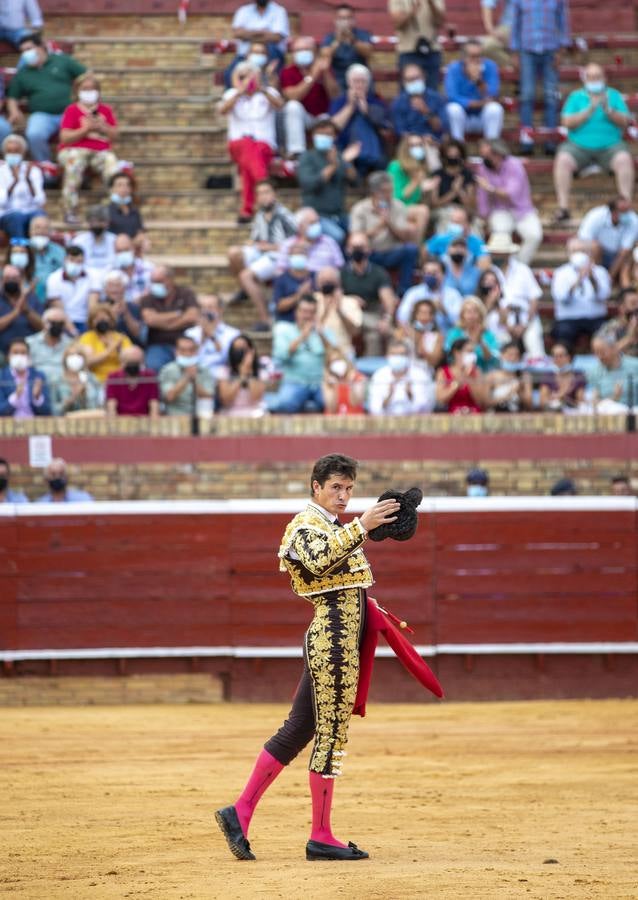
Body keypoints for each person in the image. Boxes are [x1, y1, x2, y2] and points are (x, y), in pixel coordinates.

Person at [215, 453, 401, 861]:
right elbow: (318, 562)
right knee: (331, 734)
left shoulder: (333, 527)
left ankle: (239, 812)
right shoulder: (304, 526)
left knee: (299, 729)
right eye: (336, 487)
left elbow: (347, 583)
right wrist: (362, 527)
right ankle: (321, 835)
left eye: (349, 488)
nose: (344, 495)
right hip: (331, 644)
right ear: (316, 487)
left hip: (339, 642)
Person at [553, 63, 634, 223]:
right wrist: (589, 110)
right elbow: (567, 122)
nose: (595, 80)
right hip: (578, 146)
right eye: (591, 77)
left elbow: (625, 122)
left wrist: (608, 109)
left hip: (611, 147)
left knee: (624, 159)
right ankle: (563, 208)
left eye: (598, 77)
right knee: (562, 159)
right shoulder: (576, 97)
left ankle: (625, 205)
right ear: (585, 79)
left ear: (604, 78)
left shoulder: (614, 95)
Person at [6, 32, 86, 164]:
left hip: (69, 112)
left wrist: (79, 94)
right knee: (34, 134)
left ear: (41, 47)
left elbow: (85, 76)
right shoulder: (23, 72)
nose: (26, 54)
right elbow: (12, 96)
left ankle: (78, 168)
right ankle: (46, 169)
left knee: (83, 130)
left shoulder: (62, 60)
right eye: (23, 51)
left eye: (29, 49)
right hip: (42, 116)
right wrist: (14, 111)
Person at [227, 180, 297, 330]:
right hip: (261, 253)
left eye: (267, 192)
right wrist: (251, 243)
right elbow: (256, 238)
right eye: (260, 193)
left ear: (274, 194)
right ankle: (246, 289)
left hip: (277, 256)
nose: (263, 197)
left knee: (246, 275)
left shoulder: (285, 215)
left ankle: (266, 320)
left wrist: (270, 246)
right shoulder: (259, 215)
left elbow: (295, 244)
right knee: (233, 253)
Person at [219, 61, 283, 223]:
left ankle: (247, 210)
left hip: (264, 146)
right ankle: (266, 194)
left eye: (251, 76)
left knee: (248, 165)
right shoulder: (231, 94)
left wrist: (260, 88)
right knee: (248, 146)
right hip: (238, 146)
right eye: (243, 76)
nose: (247, 80)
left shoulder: (268, 93)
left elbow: (279, 105)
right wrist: (240, 92)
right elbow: (223, 110)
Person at [510, 0, 571, 155]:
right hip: (527, 49)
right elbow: (515, 23)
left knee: (551, 96)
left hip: (550, 49)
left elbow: (563, 21)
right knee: (527, 95)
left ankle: (550, 141)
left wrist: (562, 49)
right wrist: (515, 51)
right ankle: (526, 141)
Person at [57, 73, 119, 225]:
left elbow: (115, 135)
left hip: (100, 152)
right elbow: (64, 138)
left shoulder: (105, 110)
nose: (89, 92)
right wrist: (85, 129)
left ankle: (113, 207)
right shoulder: (71, 110)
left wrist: (103, 127)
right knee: (74, 163)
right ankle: (70, 210)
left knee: (112, 165)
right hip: (74, 150)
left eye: (92, 88)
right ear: (78, 90)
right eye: (85, 88)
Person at [349, 171, 420, 298]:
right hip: (370, 253)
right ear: (374, 192)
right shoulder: (360, 209)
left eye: (390, 191)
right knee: (354, 252)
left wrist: (389, 224)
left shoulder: (398, 206)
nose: (388, 195)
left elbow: (404, 237)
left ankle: (404, 290)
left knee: (411, 249)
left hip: (392, 251)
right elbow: (356, 238)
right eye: (384, 191)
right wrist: (379, 226)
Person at [475, 137, 543, 265]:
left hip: (522, 209)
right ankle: (504, 268)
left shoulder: (514, 165)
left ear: (498, 154)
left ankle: (518, 266)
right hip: (499, 210)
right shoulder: (483, 167)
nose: (486, 159)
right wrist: (484, 216)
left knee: (534, 235)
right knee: (500, 236)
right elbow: (482, 195)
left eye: (488, 155)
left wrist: (490, 188)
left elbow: (511, 193)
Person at [267, 295, 336, 413]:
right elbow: (281, 356)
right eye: (304, 312)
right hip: (294, 381)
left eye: (312, 312)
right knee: (284, 404)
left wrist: (321, 335)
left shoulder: (325, 332)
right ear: (296, 312)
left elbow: (335, 357)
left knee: (334, 403)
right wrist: (303, 336)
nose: (308, 316)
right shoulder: (283, 329)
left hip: (321, 382)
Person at [297, 117, 360, 245]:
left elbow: (355, 181)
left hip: (340, 214)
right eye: (321, 134)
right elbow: (309, 184)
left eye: (328, 134)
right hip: (317, 216)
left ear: (334, 137)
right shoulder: (307, 157)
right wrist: (332, 166)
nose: (324, 137)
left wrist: (346, 163)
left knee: (358, 236)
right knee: (337, 236)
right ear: (314, 136)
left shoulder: (339, 156)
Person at [485, 232, 544, 358]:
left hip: (524, 316)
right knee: (498, 342)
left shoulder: (523, 270)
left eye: (498, 253)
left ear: (507, 254)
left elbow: (534, 299)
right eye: (494, 253)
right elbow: (487, 302)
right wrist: (505, 322)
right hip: (499, 318)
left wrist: (525, 323)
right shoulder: (489, 272)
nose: (495, 255)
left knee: (534, 341)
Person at [281, 37, 340, 157]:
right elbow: (293, 96)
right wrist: (312, 76)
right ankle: (296, 152)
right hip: (303, 117)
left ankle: (326, 155)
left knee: (326, 119)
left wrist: (325, 73)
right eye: (298, 50)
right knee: (292, 106)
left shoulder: (325, 69)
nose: (302, 53)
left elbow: (335, 95)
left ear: (314, 52)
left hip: (322, 117)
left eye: (306, 49)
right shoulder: (288, 72)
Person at [341, 232, 398, 357]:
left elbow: (388, 298)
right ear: (348, 249)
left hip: (373, 313)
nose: (358, 251)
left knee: (374, 337)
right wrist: (349, 299)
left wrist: (387, 319)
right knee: (390, 332)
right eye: (354, 247)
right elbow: (335, 298)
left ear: (369, 249)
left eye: (361, 247)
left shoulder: (378, 272)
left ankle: (376, 371)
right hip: (350, 317)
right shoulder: (342, 273)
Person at [329, 64, 389, 176]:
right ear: (349, 83)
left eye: (363, 82)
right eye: (356, 81)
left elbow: (382, 126)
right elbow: (334, 127)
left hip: (373, 149)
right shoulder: (339, 101)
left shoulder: (376, 101)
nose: (359, 85)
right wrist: (350, 106)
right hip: (344, 147)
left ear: (368, 84)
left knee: (382, 163)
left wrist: (366, 111)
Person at [139, 266, 199, 371]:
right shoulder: (148, 298)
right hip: (158, 344)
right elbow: (150, 320)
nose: (155, 285)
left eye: (159, 281)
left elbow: (192, 316)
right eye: (153, 282)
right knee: (153, 366)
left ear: (170, 279)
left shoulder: (185, 293)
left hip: (185, 343)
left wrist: (162, 322)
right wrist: (177, 314)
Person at [444, 39, 503, 142]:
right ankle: (458, 147)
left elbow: (493, 94)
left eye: (479, 56)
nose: (476, 60)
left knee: (495, 109)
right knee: (452, 109)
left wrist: (478, 80)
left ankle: (492, 147)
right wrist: (474, 103)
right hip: (462, 117)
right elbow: (451, 96)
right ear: (463, 57)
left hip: (483, 117)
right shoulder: (453, 68)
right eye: (472, 56)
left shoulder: (490, 66)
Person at [550, 246, 611, 346]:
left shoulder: (600, 271)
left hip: (595, 318)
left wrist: (592, 279)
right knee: (563, 332)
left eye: (583, 251)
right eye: (575, 251)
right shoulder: (561, 272)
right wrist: (578, 280)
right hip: (568, 319)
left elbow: (604, 296)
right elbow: (561, 297)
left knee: (604, 334)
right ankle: (565, 360)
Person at [575, 198, 638, 282]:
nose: (627, 214)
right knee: (594, 246)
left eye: (628, 210)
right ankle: (592, 277)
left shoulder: (633, 219)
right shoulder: (596, 215)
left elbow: (624, 251)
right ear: (613, 212)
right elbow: (584, 239)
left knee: (630, 253)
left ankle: (622, 284)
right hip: (595, 254)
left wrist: (610, 276)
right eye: (623, 211)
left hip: (617, 257)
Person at [367, 336, 434, 414]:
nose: (397, 357)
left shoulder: (420, 376)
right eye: (394, 354)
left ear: (408, 356)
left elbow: (427, 409)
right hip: (386, 423)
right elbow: (374, 410)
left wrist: (411, 396)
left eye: (401, 354)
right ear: (387, 356)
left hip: (414, 423)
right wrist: (388, 398)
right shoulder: (379, 376)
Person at [388, 0, 446, 90]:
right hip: (408, 51)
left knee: (432, 91)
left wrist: (431, 4)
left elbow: (441, 22)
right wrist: (412, 11)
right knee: (408, 92)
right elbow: (398, 24)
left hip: (431, 49)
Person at [397, 256, 462, 333]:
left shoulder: (453, 294)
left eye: (434, 273)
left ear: (443, 274)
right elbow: (401, 317)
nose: (430, 276)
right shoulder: (413, 293)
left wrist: (444, 310)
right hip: (418, 336)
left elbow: (461, 322)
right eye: (428, 273)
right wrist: (415, 309)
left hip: (446, 338)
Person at [46, 245, 101, 334]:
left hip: (85, 320)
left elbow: (92, 306)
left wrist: (90, 329)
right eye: (71, 260)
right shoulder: (53, 278)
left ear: (84, 262)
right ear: (64, 260)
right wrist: (73, 331)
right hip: (63, 320)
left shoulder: (93, 275)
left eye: (79, 261)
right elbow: (59, 308)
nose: (75, 264)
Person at [0, 133, 46, 240]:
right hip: (7, 214)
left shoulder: (33, 171)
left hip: (29, 212)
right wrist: (14, 182)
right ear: (4, 153)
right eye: (9, 151)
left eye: (16, 151)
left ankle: (39, 251)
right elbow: (1, 202)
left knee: (40, 215)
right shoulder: (0, 171)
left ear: (23, 152)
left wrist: (28, 181)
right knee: (16, 217)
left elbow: (40, 201)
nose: (13, 154)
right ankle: (20, 249)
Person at [185, 294, 240, 380]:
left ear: (220, 310)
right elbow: (188, 359)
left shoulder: (233, 334)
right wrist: (202, 338)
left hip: (223, 378)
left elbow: (230, 360)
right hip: (196, 376)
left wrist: (212, 337)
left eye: (210, 307)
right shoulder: (190, 333)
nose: (206, 311)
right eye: (202, 307)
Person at [159, 333, 215, 417]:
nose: (187, 354)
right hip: (175, 417)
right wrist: (186, 377)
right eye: (183, 350)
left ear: (196, 351)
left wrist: (194, 381)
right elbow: (169, 397)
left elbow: (209, 398)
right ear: (176, 351)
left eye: (191, 350)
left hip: (201, 416)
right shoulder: (168, 370)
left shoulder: (205, 370)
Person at [390, 62, 448, 142]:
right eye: (410, 80)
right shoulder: (398, 102)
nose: (414, 82)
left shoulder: (437, 98)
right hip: (410, 144)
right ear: (404, 82)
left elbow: (441, 127)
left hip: (433, 141)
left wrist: (426, 111)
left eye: (417, 78)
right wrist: (416, 141)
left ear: (423, 77)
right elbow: (400, 131)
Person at [314, 266, 363, 359]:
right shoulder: (312, 300)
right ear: (317, 284)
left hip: (343, 352)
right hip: (317, 353)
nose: (327, 286)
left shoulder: (350, 302)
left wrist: (339, 311)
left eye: (330, 283)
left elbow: (355, 332)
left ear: (338, 283)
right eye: (324, 283)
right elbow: (311, 329)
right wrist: (326, 310)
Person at [320, 4, 373, 90]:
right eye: (341, 18)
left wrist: (352, 40)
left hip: (359, 76)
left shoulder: (362, 34)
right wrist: (337, 41)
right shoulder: (330, 37)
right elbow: (325, 55)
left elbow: (368, 53)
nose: (345, 22)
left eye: (348, 18)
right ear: (335, 20)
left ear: (353, 20)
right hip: (339, 77)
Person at [277, 208, 344, 274]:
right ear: (300, 226)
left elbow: (340, 267)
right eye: (312, 223)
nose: (317, 225)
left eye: (317, 222)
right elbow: (280, 272)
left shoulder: (329, 242)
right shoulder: (288, 244)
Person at [230, 0, 290, 74]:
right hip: (245, 55)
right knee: (230, 74)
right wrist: (261, 32)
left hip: (271, 55)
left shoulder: (279, 11)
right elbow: (237, 34)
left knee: (272, 73)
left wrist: (248, 34)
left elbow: (277, 37)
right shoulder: (243, 11)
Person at [216, 333, 268, 417]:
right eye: (236, 349)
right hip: (230, 414)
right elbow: (226, 400)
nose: (240, 353)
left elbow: (256, 398)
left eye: (243, 349)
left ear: (251, 351)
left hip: (255, 413)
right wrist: (241, 375)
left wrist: (249, 370)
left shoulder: (260, 372)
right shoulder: (223, 372)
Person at [77, 305, 133, 383]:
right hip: (95, 380)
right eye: (97, 319)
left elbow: (130, 361)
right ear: (91, 322)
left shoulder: (121, 338)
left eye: (104, 318)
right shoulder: (87, 337)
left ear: (111, 320)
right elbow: (88, 361)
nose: (101, 321)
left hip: (118, 380)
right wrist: (110, 348)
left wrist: (119, 350)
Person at [445, 296, 500, 372]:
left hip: (482, 374)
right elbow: (449, 355)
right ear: (462, 315)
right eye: (468, 312)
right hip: (458, 373)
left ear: (480, 315)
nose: (471, 316)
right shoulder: (454, 333)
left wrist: (480, 341)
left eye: (475, 312)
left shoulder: (489, 335)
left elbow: (493, 359)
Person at [0, 261, 43, 359]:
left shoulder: (31, 298)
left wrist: (27, 310)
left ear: (21, 280)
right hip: (2, 351)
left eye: (14, 278)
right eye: (7, 278)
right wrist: (15, 313)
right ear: (2, 280)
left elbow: (42, 327)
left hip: (30, 350)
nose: (11, 281)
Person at [0, 336, 51, 417]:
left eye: (23, 353)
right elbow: (1, 411)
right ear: (8, 356)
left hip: (34, 425)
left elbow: (48, 412)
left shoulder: (38, 376)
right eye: (15, 352)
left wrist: (37, 398)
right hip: (8, 426)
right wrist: (16, 396)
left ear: (28, 356)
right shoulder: (2, 376)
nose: (19, 356)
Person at [436, 338, 489, 414]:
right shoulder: (443, 372)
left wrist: (469, 378)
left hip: (474, 414)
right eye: (469, 351)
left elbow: (481, 401)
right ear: (457, 353)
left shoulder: (477, 371)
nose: (472, 355)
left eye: (473, 352)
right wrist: (456, 385)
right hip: (453, 415)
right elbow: (441, 399)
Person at [105, 344, 160, 417]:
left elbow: (154, 405)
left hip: (144, 420)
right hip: (121, 421)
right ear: (122, 363)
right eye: (130, 363)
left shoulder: (149, 377)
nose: (133, 367)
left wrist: (153, 425)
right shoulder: (113, 377)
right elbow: (111, 407)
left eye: (136, 363)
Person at [49, 343, 102, 416]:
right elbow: (53, 410)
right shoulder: (56, 380)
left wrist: (84, 396)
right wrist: (71, 399)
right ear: (65, 359)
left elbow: (99, 406)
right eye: (71, 355)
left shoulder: (91, 379)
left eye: (78, 355)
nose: (75, 358)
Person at [98, 269, 147, 346]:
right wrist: (112, 315)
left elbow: (138, 333)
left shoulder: (133, 307)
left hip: (130, 346)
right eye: (111, 286)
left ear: (125, 288)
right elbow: (97, 331)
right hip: (104, 344)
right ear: (105, 289)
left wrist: (126, 313)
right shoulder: (99, 306)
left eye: (118, 285)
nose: (115, 290)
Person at [588, 335, 638, 409]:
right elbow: (594, 403)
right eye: (596, 353)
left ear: (614, 348)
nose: (599, 356)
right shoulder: (594, 371)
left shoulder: (635, 365)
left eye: (602, 352)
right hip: (606, 416)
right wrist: (613, 398)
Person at [271, 240, 315, 323]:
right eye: (296, 254)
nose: (299, 256)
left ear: (308, 256)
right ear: (289, 256)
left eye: (301, 253)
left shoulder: (315, 276)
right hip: (288, 322)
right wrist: (299, 295)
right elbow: (279, 306)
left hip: (312, 323)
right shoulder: (281, 279)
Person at [25, 305, 71, 383]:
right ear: (43, 323)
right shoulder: (30, 343)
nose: (56, 326)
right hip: (38, 383)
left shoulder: (70, 344)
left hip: (63, 385)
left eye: (60, 323)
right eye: (52, 322)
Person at [486, 339, 533, 411]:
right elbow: (486, 403)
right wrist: (509, 393)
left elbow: (529, 405)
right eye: (510, 355)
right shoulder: (492, 376)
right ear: (502, 355)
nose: (513, 358)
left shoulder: (524, 376)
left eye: (516, 355)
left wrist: (519, 390)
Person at [538, 341, 586, 411]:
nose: (557, 359)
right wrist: (556, 398)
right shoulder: (548, 376)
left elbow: (581, 402)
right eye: (554, 356)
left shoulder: (578, 376)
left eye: (561, 356)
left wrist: (565, 399)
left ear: (569, 357)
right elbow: (542, 402)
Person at [399, 298, 444, 371]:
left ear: (432, 316)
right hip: (406, 371)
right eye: (421, 312)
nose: (424, 316)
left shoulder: (438, 336)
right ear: (415, 314)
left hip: (427, 372)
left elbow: (434, 362)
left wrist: (421, 343)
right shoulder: (405, 332)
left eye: (427, 313)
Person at [29, 215, 65, 303]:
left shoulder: (59, 251)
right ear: (30, 231)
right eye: (37, 228)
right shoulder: (23, 249)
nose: (41, 231)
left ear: (50, 232)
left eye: (45, 228)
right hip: (27, 294)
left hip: (54, 296)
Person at [595, 288, 638, 358]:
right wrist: (629, 338)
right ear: (622, 307)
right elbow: (605, 353)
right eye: (633, 303)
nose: (637, 307)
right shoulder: (611, 327)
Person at [72, 205, 117, 271]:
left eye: (100, 221)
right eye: (93, 221)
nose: (97, 225)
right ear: (88, 222)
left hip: (111, 278)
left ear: (107, 222)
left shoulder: (115, 240)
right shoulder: (79, 242)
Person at [322, 349, 367, 414]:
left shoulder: (358, 377)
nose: (336, 364)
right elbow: (332, 409)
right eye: (332, 362)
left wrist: (351, 384)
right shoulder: (328, 382)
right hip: (334, 419)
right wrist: (334, 387)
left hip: (353, 417)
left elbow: (355, 403)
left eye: (338, 359)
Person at [113, 232, 152, 305]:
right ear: (114, 251)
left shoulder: (148, 267)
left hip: (143, 307)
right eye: (119, 251)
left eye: (126, 250)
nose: (123, 254)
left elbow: (152, 290)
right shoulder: (111, 270)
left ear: (132, 248)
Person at [107, 171, 144, 237]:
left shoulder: (134, 210)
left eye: (127, 185)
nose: (124, 188)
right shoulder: (106, 210)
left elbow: (140, 230)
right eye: (119, 185)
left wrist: (142, 238)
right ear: (111, 189)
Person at [481, 0, 514, 68]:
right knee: (486, 46)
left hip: (534, 30)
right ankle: (513, 64)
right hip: (508, 27)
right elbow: (488, 2)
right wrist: (490, 29)